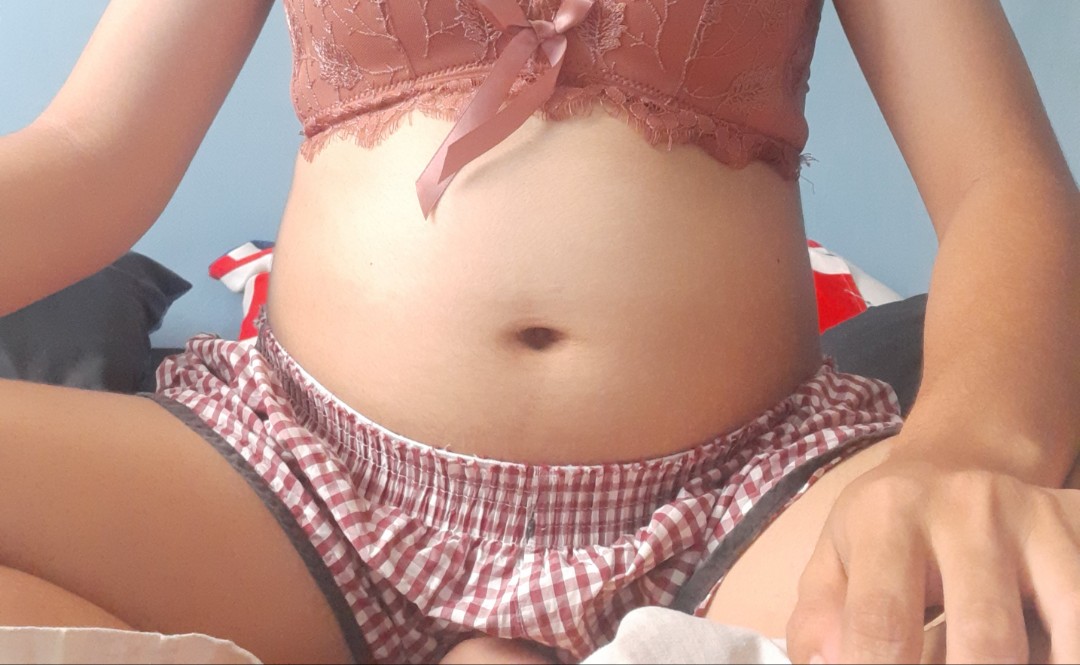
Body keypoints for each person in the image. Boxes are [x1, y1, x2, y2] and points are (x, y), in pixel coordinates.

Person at [0, 0, 1077, 663]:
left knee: (1040, 593)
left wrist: (969, 448)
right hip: (295, 477)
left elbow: (1001, 182)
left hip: (748, 493)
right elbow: (92, 149)